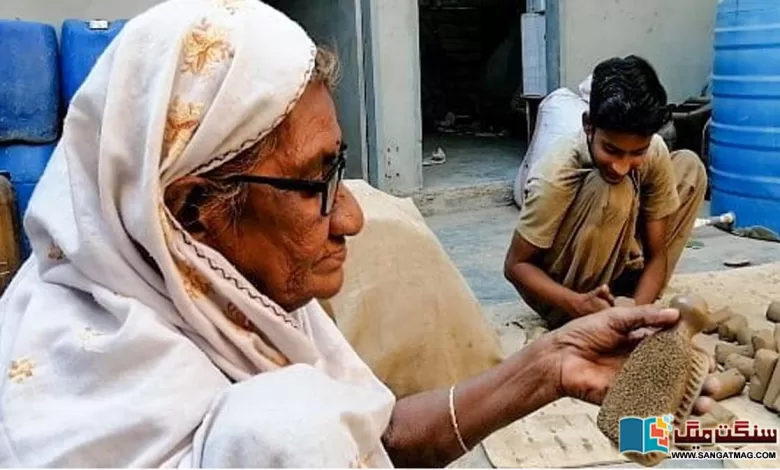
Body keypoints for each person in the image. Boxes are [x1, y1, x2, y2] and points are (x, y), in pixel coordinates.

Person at [0, 2, 716, 467]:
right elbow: (317, 438)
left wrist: (547, 367)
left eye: (339, 171)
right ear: (191, 212)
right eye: (314, 182)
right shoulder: (70, 407)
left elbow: (381, 433)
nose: (349, 217)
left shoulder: (235, 291)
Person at [505, 55, 708, 330]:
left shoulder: (654, 149)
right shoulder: (555, 174)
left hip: (621, 270)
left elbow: (658, 254)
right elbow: (516, 265)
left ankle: (631, 297)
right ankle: (590, 316)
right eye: (611, 150)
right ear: (589, 126)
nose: (622, 165)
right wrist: (576, 303)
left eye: (637, 152)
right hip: (567, 292)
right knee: (612, 189)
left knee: (689, 167)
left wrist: (637, 315)